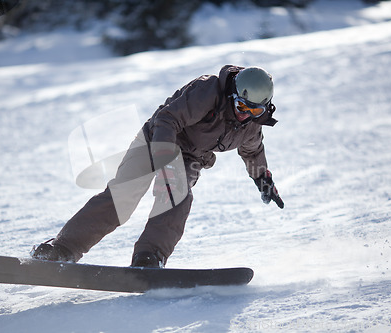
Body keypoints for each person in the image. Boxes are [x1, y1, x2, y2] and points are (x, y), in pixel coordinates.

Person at [31, 65, 284, 268]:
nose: (245, 113)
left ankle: (149, 257)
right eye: (241, 106)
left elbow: (252, 151)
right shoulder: (207, 92)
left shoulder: (252, 123)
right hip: (157, 139)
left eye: (254, 109)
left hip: (190, 158)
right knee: (123, 197)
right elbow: (167, 118)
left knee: (177, 197)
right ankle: (62, 249)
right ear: (233, 95)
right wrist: (164, 153)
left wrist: (262, 179)